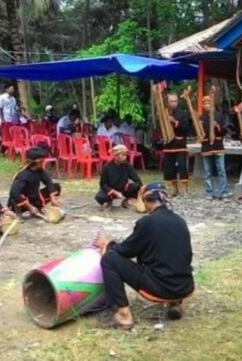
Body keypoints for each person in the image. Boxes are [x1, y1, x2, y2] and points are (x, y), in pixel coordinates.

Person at [93, 182, 194, 330]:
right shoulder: (180, 221)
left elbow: (126, 251)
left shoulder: (148, 222)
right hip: (184, 286)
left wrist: (107, 245)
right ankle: (175, 302)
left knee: (110, 259)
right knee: (171, 254)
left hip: (162, 288)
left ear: (146, 201)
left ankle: (123, 315)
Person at [8, 147, 61, 216]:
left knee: (56, 187)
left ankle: (38, 208)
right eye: (42, 161)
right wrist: (30, 207)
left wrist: (53, 198)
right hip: (22, 203)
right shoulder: (23, 174)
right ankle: (31, 209)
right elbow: (14, 192)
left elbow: (48, 181)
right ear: (38, 162)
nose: (43, 163)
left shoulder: (39, 170)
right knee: (18, 196)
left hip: (33, 198)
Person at [200, 95, 230, 200]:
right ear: (203, 105)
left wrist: (218, 126)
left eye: (209, 102)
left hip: (218, 145)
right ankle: (209, 192)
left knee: (221, 170)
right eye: (205, 103)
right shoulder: (201, 118)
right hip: (206, 145)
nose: (207, 105)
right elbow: (199, 133)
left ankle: (224, 192)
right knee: (207, 171)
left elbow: (225, 131)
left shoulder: (220, 116)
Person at [95, 145, 143, 209]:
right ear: (116, 156)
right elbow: (103, 184)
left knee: (136, 186)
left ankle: (127, 201)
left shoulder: (127, 165)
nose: (125, 157)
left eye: (125, 155)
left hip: (123, 189)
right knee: (100, 197)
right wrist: (114, 191)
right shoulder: (107, 167)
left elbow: (138, 181)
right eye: (123, 155)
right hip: (111, 190)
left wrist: (128, 186)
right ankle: (109, 201)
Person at [163, 94, 190, 197]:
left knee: (182, 166)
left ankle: (185, 189)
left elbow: (186, 129)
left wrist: (175, 122)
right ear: (168, 102)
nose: (174, 103)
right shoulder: (163, 113)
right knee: (169, 168)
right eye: (171, 101)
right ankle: (175, 189)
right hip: (169, 144)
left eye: (175, 101)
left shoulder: (183, 114)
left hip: (180, 144)